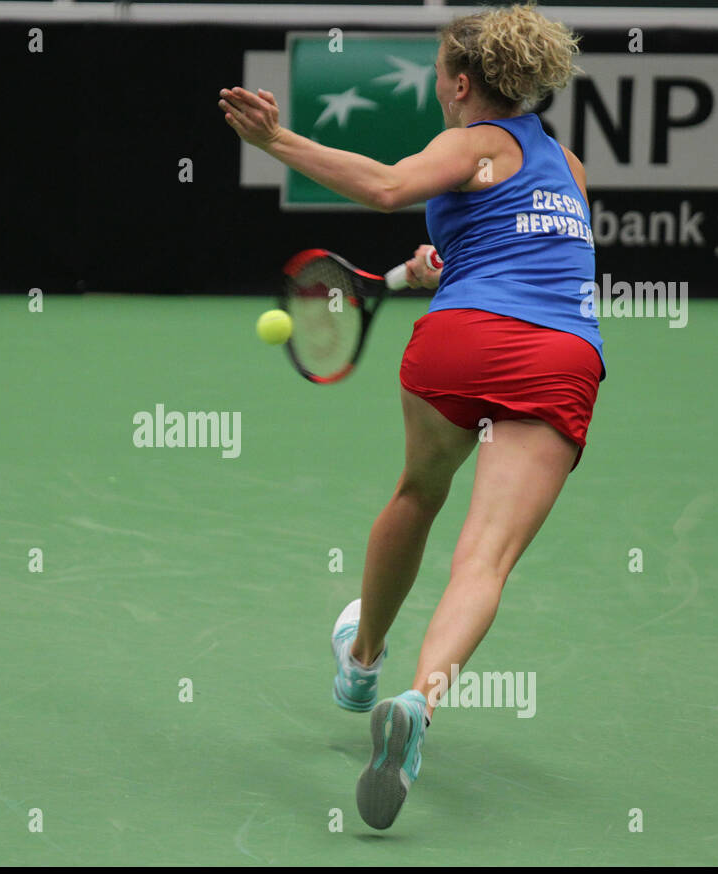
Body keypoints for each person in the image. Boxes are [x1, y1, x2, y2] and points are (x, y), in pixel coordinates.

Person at [219, 2, 604, 829]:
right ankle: (417, 706)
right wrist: (445, 260)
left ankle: (360, 665)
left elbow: (391, 186)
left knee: (417, 493)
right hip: (559, 357)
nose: (438, 89)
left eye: (438, 76)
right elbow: (533, 247)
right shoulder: (568, 164)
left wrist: (277, 143)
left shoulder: (469, 140)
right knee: (485, 560)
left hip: (460, 344)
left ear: (461, 83)